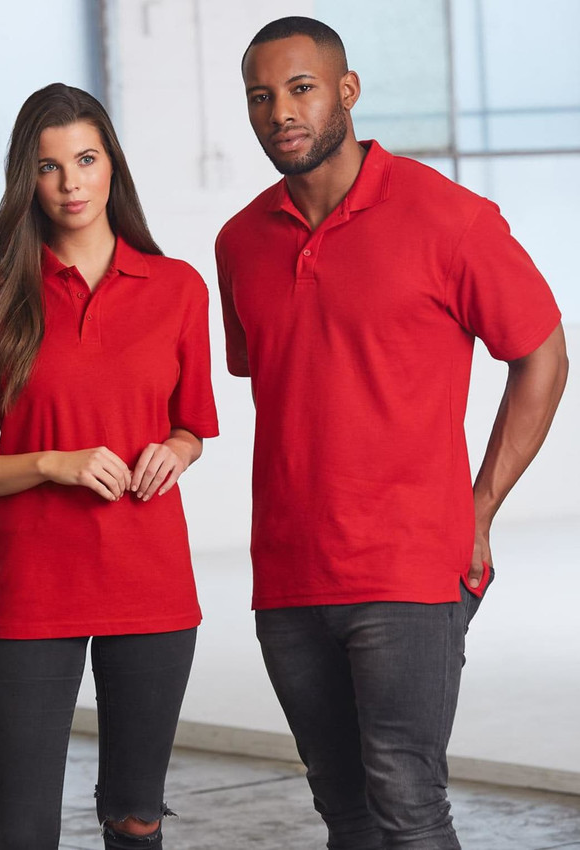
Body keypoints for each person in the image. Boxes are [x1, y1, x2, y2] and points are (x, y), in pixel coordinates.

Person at [216, 16, 568, 850]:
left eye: (300, 89)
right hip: (290, 573)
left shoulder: (450, 219)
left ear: (347, 91)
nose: (281, 114)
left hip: (410, 564)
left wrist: (478, 507)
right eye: (261, 98)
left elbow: (542, 356)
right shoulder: (239, 242)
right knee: (343, 810)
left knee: (408, 803)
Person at [0, 83, 218, 850]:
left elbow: (192, 430)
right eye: (49, 167)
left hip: (150, 588)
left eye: (85, 159)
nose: (71, 182)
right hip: (33, 592)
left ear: (112, 164)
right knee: (22, 832)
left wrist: (174, 451)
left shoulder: (178, 289)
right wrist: (50, 462)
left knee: (136, 817)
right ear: (27, 180)